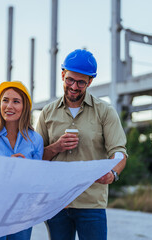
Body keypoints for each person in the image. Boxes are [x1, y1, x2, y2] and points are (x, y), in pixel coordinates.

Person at [36, 49, 127, 240]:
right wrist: (56, 147)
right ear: (62, 74)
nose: (74, 86)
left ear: (90, 82)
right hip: (57, 203)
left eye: (81, 82)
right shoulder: (47, 113)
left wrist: (113, 173)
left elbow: (119, 151)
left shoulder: (105, 112)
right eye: (70, 79)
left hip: (91, 204)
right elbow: (36, 159)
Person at [0, 81, 44, 240]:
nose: (9, 106)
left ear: (25, 106)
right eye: (5, 100)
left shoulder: (36, 140)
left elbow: (37, 180)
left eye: (16, 101)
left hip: (22, 214)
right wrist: (6, 165)